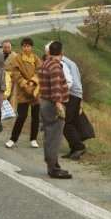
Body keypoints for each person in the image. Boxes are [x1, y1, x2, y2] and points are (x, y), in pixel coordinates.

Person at [37, 41, 71, 179]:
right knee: (54, 137)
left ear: (49, 52)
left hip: (44, 102)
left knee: (48, 135)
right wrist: (59, 107)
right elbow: (56, 87)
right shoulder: (56, 67)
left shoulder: (44, 64)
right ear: (61, 53)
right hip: (52, 105)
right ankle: (54, 167)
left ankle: (50, 165)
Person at [6, 38, 41, 149]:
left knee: (35, 116)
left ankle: (33, 139)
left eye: (28, 46)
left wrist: (32, 82)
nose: (26, 48)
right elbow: (15, 73)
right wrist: (25, 84)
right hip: (22, 91)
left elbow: (39, 71)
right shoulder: (18, 58)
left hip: (35, 90)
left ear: (31, 47)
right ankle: (13, 139)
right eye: (24, 46)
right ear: (22, 47)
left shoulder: (35, 58)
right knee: (22, 116)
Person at [59, 53, 87, 160]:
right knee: (72, 122)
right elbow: (78, 77)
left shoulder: (62, 62)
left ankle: (79, 146)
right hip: (78, 93)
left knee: (66, 122)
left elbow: (66, 80)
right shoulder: (71, 62)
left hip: (71, 93)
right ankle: (74, 149)